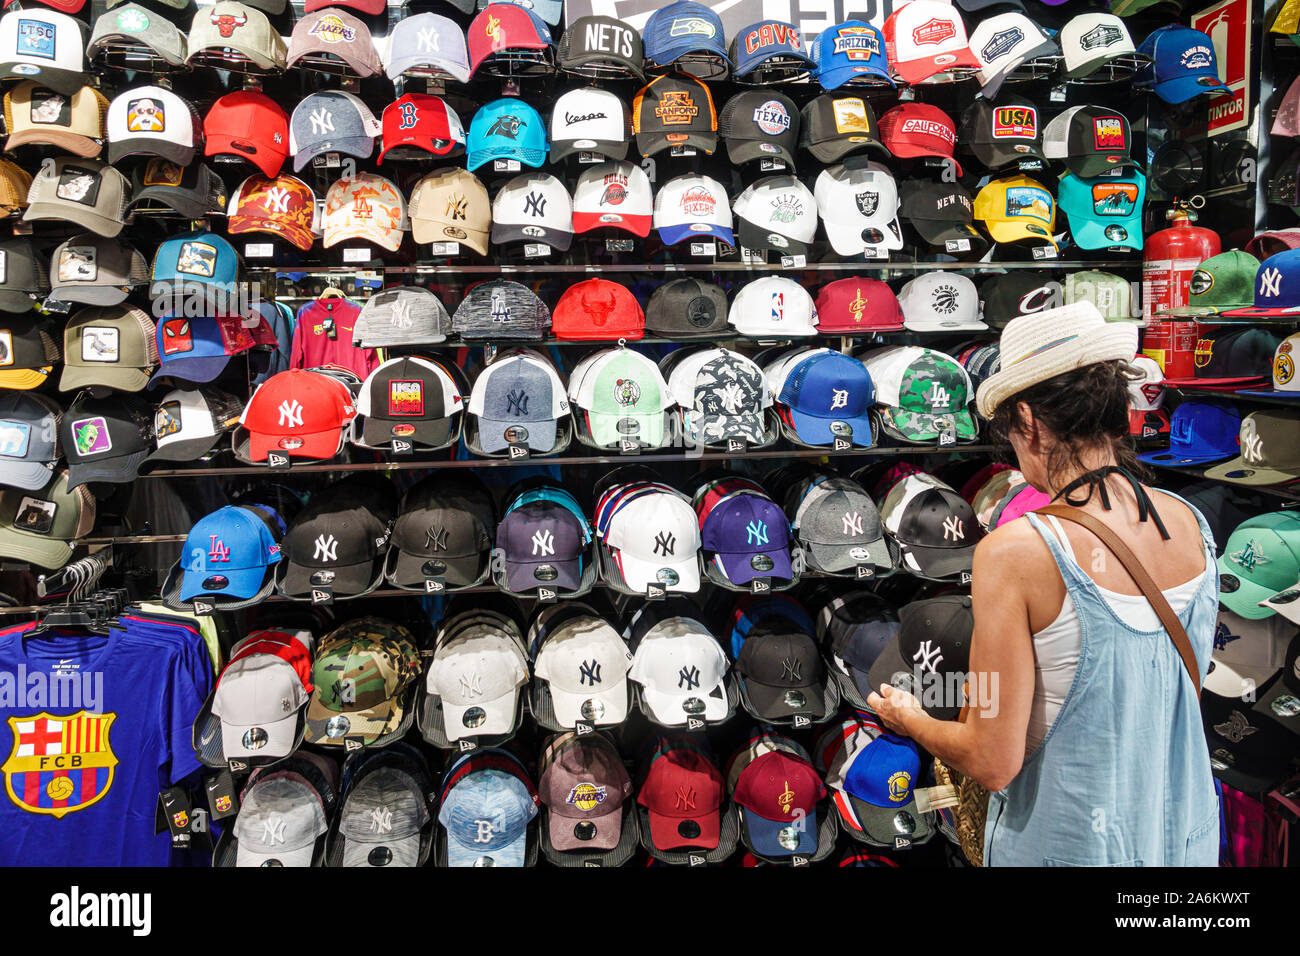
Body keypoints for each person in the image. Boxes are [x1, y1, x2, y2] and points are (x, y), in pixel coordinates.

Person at [868, 302, 1219, 867]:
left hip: (1070, 844)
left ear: (1028, 421)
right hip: (1180, 836)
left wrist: (910, 716)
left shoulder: (1018, 552)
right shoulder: (1188, 522)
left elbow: (991, 757)